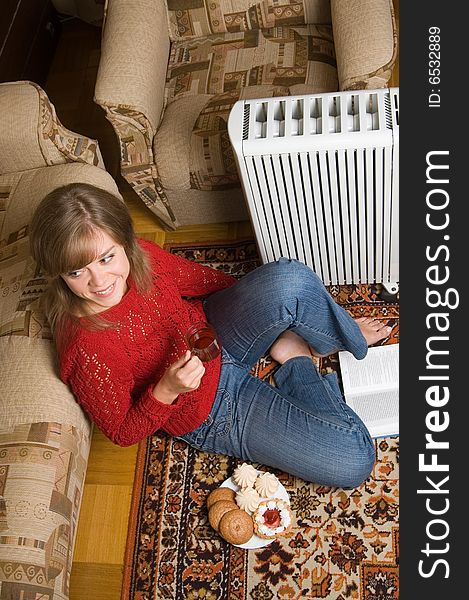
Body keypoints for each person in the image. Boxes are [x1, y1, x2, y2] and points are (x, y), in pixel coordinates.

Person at [29, 183, 393, 489]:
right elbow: (123, 431)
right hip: (209, 408)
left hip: (215, 330)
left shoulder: (142, 254)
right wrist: (166, 390)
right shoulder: (86, 348)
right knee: (353, 460)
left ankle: (336, 336)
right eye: (77, 271)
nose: (99, 281)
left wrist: (257, 306)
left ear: (124, 241)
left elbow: (200, 281)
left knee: (288, 279)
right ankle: (297, 361)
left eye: (107, 258)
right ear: (59, 274)